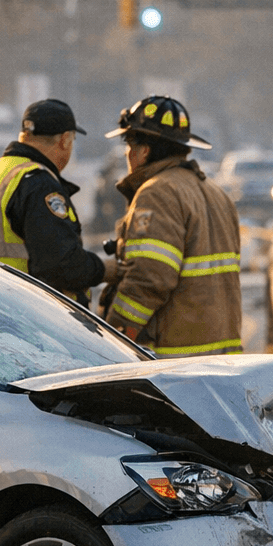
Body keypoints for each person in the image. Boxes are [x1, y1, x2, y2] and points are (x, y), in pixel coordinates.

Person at [100, 95, 244, 357]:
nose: (127, 155)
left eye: (129, 146)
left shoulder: (157, 193)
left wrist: (116, 336)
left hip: (175, 360)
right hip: (223, 357)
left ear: (143, 150)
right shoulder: (216, 192)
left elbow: (149, 276)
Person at [0, 99, 113, 300]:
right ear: (65, 140)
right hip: (24, 316)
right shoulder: (38, 183)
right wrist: (105, 269)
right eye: (72, 140)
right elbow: (62, 265)